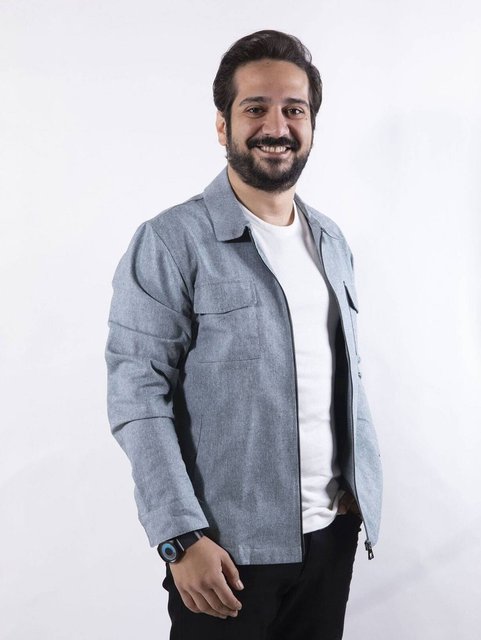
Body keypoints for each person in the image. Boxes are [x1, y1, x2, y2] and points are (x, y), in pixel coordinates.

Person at [105, 29, 382, 640]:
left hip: (330, 539)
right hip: (225, 554)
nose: (276, 126)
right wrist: (180, 537)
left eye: (294, 110)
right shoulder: (172, 241)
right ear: (222, 125)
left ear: (312, 126)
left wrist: (358, 487)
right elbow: (136, 398)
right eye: (255, 108)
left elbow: (346, 373)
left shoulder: (331, 240)